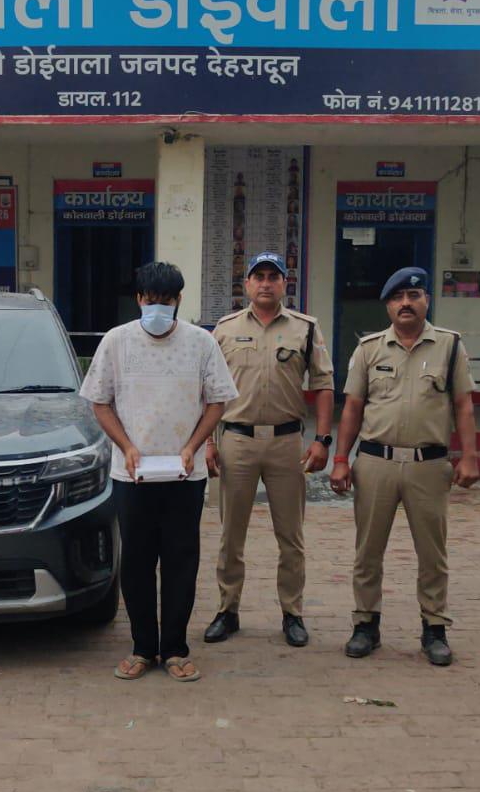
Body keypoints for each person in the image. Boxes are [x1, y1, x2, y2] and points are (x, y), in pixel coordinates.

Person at [80, 262, 238, 682]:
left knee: (181, 560)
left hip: (184, 476)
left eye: (166, 301)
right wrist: (127, 447)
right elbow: (99, 402)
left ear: (178, 301)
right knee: (135, 560)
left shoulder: (201, 343)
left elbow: (217, 401)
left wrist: (193, 446)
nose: (157, 309)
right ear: (138, 300)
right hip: (132, 475)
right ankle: (142, 647)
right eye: (151, 301)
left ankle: (175, 649)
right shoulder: (116, 342)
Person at [329, 267, 479, 666]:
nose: (406, 303)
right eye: (397, 298)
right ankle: (365, 624)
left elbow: (463, 406)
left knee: (432, 553)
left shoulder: (449, 346)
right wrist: (341, 460)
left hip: (428, 465)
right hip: (375, 463)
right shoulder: (369, 349)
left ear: (427, 299)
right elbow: (353, 408)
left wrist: (470, 456)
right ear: (388, 306)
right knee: (367, 550)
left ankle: (434, 628)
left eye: (413, 295)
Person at [205, 252, 335, 646]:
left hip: (286, 443)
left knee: (290, 535)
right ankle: (227, 610)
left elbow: (323, 385)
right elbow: (208, 389)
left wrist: (322, 440)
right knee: (231, 534)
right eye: (258, 276)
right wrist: (209, 442)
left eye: (273, 277)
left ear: (284, 284)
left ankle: (292, 613)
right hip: (236, 441)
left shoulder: (305, 329)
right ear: (246, 284)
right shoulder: (225, 329)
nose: (265, 283)